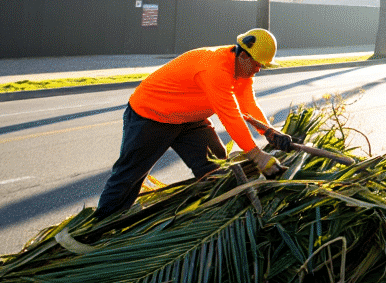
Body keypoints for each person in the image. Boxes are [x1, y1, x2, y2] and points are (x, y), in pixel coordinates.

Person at [95, 28, 295, 218]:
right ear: (243, 56)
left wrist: (269, 132)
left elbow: (248, 104)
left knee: (216, 168)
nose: (259, 69)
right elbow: (231, 116)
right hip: (152, 116)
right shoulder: (215, 68)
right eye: (258, 64)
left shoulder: (242, 71)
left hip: (190, 119)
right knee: (129, 175)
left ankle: (214, 215)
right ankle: (99, 228)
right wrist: (257, 155)